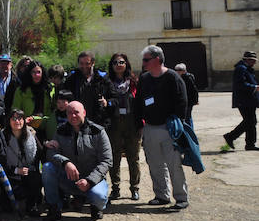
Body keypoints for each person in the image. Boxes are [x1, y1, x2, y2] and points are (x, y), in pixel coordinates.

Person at [135, 45, 190, 209]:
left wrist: (177, 124)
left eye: (146, 60)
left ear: (157, 60)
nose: (143, 63)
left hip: (169, 128)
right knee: (155, 164)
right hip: (150, 128)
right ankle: (161, 196)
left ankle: (181, 197)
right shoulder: (144, 79)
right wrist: (139, 124)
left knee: (174, 165)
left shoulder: (173, 77)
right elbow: (138, 103)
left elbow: (182, 103)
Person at [42, 101, 112, 221]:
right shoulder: (60, 131)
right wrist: (65, 162)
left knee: (99, 196)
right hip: (69, 179)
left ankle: (96, 207)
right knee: (48, 168)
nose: (73, 116)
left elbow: (107, 161)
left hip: (92, 180)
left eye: (76, 112)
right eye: (69, 113)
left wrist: (90, 180)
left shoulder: (98, 131)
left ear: (84, 113)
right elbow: (51, 154)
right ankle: (54, 208)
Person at [106, 53, 142, 201]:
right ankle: (115, 189)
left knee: (133, 158)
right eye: (115, 62)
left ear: (126, 64)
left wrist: (141, 124)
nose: (118, 64)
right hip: (114, 125)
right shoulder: (106, 82)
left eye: (121, 62)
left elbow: (140, 103)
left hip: (131, 124)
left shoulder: (134, 81)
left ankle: (135, 188)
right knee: (113, 158)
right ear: (111, 65)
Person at [3, 109, 43, 217]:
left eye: (20, 118)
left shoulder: (31, 134)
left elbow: (40, 152)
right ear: (9, 121)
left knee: (35, 178)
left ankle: (31, 206)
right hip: (10, 172)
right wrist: (17, 170)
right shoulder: (3, 137)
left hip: (28, 170)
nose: (17, 121)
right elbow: (1, 160)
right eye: (14, 119)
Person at [63, 51, 110, 128]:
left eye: (87, 63)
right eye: (81, 63)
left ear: (93, 63)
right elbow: (65, 96)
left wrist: (107, 102)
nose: (84, 66)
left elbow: (115, 98)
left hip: (99, 122)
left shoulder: (103, 78)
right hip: (77, 121)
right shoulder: (71, 78)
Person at [224, 50, 259, 151]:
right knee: (250, 121)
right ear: (247, 60)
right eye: (253, 60)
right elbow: (240, 84)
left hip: (249, 100)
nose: (255, 62)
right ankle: (231, 136)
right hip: (244, 100)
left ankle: (250, 144)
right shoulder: (241, 68)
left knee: (251, 122)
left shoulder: (247, 68)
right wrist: (254, 87)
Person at [13, 60, 54, 135]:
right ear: (29, 73)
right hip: (27, 127)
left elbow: (53, 109)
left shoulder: (50, 88)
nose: (36, 75)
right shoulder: (21, 90)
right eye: (33, 72)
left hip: (47, 125)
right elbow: (16, 110)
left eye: (38, 72)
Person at [174, 63, 199, 128]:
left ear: (184, 70)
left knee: (187, 117)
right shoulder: (179, 78)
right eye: (176, 70)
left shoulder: (187, 78)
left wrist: (196, 100)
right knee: (186, 117)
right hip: (184, 101)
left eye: (179, 70)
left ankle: (190, 132)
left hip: (189, 101)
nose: (177, 71)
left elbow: (194, 90)